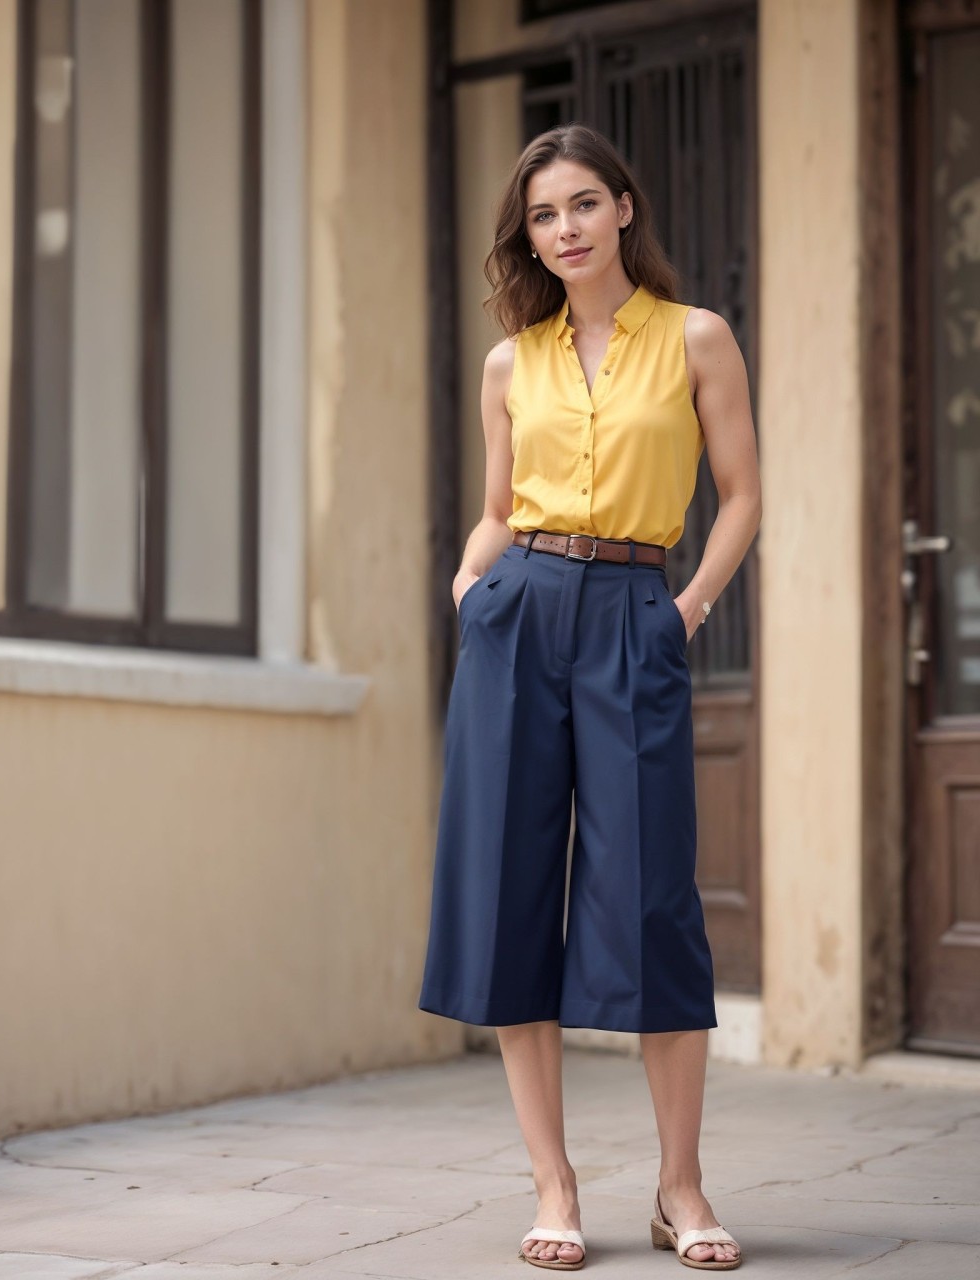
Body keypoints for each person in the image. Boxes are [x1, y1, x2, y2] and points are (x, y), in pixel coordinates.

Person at [418, 123, 761, 1271]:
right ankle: (553, 1184)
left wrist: (686, 608)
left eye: (578, 205)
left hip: (632, 613)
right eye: (539, 216)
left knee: (651, 896)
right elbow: (497, 504)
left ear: (622, 206)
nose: (560, 229)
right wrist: (468, 582)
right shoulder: (510, 359)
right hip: (516, 613)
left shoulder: (698, 339)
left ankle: (679, 1185)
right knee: (511, 892)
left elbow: (740, 495)